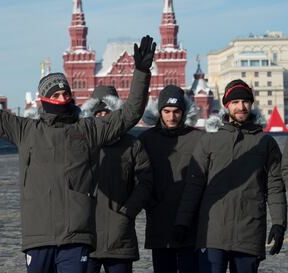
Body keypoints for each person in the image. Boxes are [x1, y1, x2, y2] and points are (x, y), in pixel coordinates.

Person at [0, 36, 156, 273]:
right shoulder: (26, 131)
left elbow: (129, 114)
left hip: (75, 236)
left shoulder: (86, 130)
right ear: (44, 100)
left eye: (65, 94)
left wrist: (141, 72)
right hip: (39, 235)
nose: (62, 100)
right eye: (55, 96)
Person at [174, 79, 287, 273]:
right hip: (212, 233)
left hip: (249, 231)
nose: (241, 107)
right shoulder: (209, 141)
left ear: (251, 104)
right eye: (235, 102)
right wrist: (182, 221)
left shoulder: (266, 143)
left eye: (245, 101)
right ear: (227, 106)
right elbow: (194, 185)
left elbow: (275, 186)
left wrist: (279, 223)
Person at [80, 85, 153, 273]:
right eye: (99, 113)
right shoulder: (80, 144)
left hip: (119, 235)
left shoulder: (132, 144)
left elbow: (145, 182)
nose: (103, 118)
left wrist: (128, 211)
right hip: (85, 235)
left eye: (108, 112)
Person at [139, 85, 203, 273]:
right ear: (159, 112)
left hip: (191, 223)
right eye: (166, 111)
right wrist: (150, 203)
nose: (171, 117)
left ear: (183, 112)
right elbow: (138, 176)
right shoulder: (146, 140)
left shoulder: (199, 138)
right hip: (159, 221)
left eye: (176, 111)